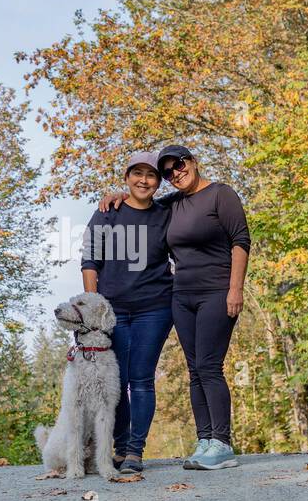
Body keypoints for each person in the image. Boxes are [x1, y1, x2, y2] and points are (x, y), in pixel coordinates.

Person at [100, 144, 250, 470]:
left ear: (193, 161)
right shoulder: (173, 204)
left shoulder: (221, 195)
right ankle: (205, 440)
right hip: (181, 296)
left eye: (179, 165)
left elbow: (241, 241)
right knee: (195, 370)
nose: (175, 173)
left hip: (217, 291)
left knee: (210, 367)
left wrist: (235, 289)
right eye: (167, 172)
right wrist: (116, 194)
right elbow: (142, 199)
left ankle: (222, 444)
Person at [81, 151, 174, 474]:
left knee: (142, 379)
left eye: (151, 175)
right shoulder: (108, 213)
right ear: (127, 178)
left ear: (158, 182)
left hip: (156, 308)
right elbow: (90, 261)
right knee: (114, 381)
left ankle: (135, 451)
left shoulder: (167, 213)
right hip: (112, 313)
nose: (144, 180)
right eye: (137, 174)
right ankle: (119, 447)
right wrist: (93, 309)